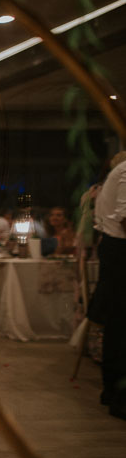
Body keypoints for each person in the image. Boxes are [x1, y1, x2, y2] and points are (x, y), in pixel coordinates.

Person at [90, 152, 126, 420]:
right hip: (120, 252)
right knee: (121, 326)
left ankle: (112, 391)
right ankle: (119, 396)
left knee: (119, 325)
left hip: (114, 250)